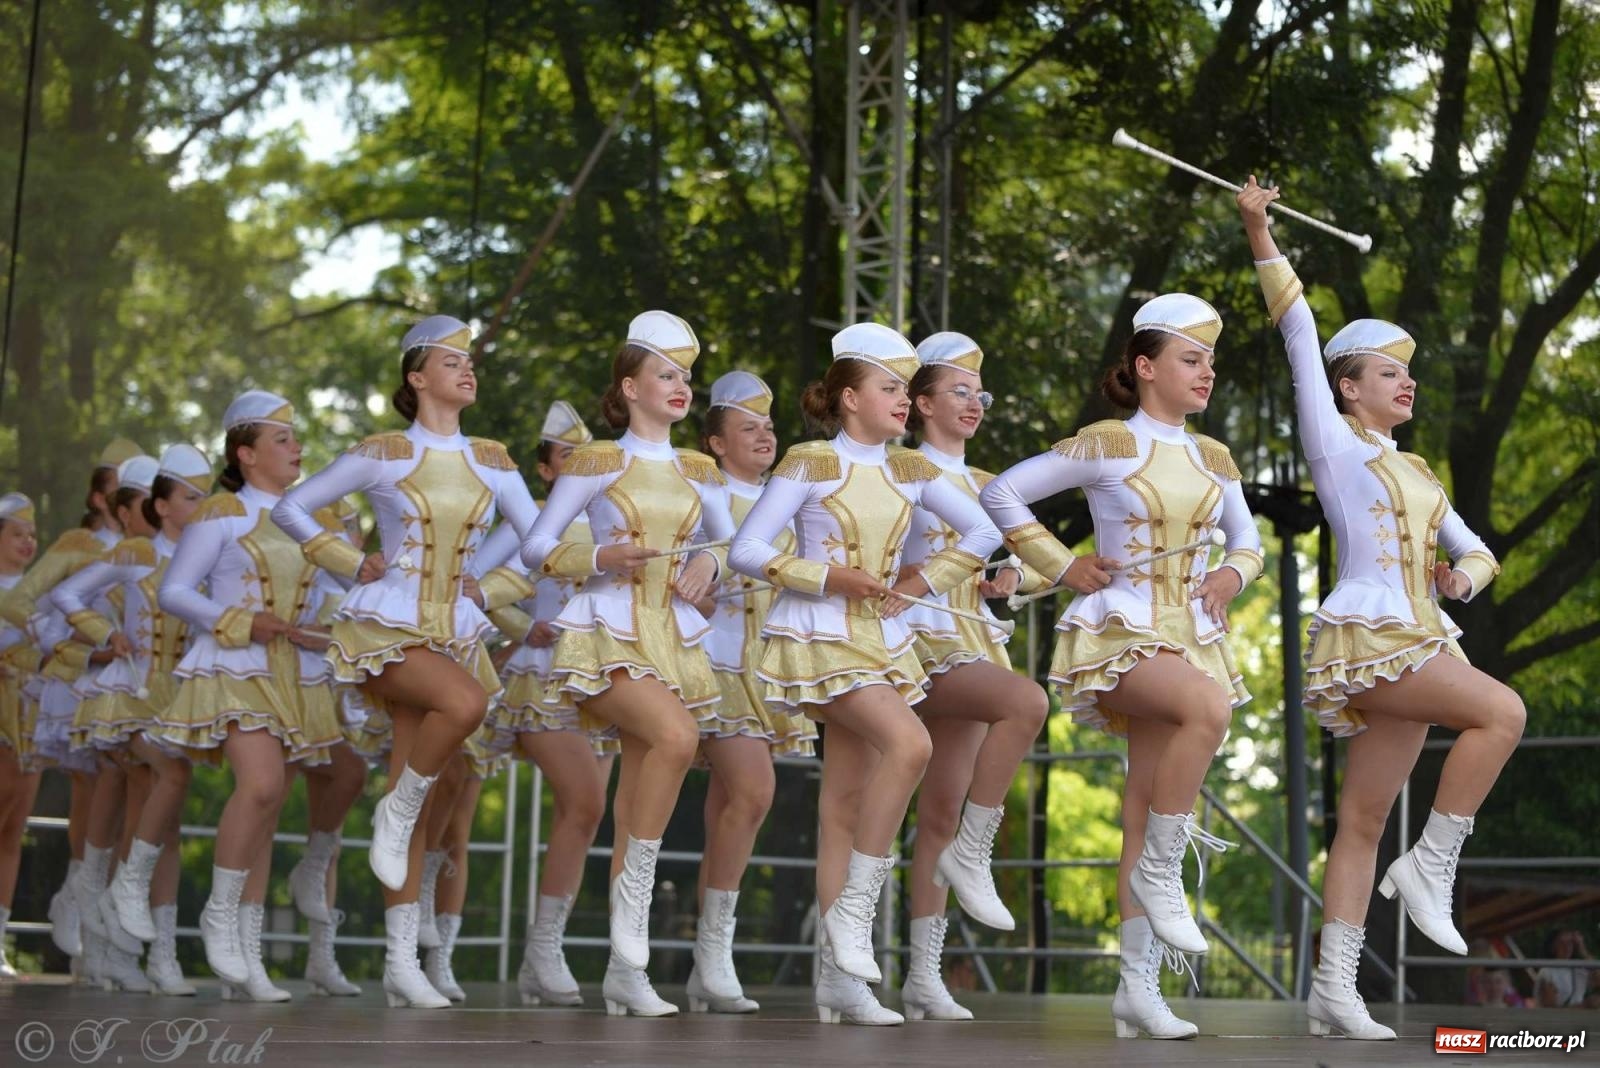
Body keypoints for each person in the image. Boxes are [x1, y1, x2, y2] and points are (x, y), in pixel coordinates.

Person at [1238, 177, 1524, 1041]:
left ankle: (1333, 989)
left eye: (1408, 373)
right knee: (1503, 712)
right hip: (1370, 634)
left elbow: (1480, 550)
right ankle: (1433, 863)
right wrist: (1259, 228)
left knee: (1362, 820)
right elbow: (1298, 326)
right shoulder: (1333, 441)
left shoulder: (1420, 472)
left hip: (1418, 632)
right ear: (1347, 388)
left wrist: (1460, 582)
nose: (1407, 383)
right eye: (1388, 373)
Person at [980, 294, 1264, 1040]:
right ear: (1146, 366)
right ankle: (1163, 872)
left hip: (1190, 635)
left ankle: (1137, 988)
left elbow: (1249, 543)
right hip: (1120, 631)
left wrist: (1230, 575)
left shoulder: (1213, 458)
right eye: (1190, 359)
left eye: (1210, 361)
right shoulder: (1109, 443)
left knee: (1143, 802)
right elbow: (1001, 490)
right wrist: (1060, 565)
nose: (1206, 373)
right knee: (1209, 708)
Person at [729, 322, 1001, 1026]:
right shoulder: (811, 462)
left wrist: (919, 583)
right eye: (889, 388)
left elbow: (984, 532)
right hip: (819, 633)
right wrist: (829, 577)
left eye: (906, 389)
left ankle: (838, 981)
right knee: (911, 744)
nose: (904, 400)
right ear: (850, 398)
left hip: (881, 639)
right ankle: (852, 914)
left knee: (843, 807)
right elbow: (747, 549)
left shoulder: (911, 470)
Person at [273, 315, 539, 1008]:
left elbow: (539, 537)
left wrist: (491, 585)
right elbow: (293, 508)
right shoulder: (385, 452)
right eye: (451, 361)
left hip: (454, 627)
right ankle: (395, 810)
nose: (467, 369)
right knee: (465, 704)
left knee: (420, 796)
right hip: (387, 622)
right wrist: (348, 559)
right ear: (417, 378)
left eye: (469, 361)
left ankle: (399, 962)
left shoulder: (493, 459)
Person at [521, 311, 734, 1017]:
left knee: (643, 783)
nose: (680, 385)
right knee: (677, 735)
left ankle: (624, 966)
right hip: (607, 627)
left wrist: (708, 563)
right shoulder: (596, 462)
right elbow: (536, 546)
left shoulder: (699, 468)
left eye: (686, 376)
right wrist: (600, 555)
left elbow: (733, 545)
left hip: (670, 636)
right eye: (665, 374)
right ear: (630, 387)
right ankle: (627, 938)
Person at [156, 390, 345, 1001]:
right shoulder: (223, 512)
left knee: (269, 808)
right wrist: (240, 621)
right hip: (235, 662)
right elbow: (175, 591)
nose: (297, 448)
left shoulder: (310, 516)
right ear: (246, 453)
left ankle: (249, 952)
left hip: (296, 670)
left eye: (295, 438)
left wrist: (328, 627)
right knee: (260, 786)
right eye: (282, 440)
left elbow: (342, 590)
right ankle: (218, 914)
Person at [898, 333, 1050, 1021]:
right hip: (912, 642)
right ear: (922, 403)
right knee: (1025, 703)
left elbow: (1038, 562)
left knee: (938, 809)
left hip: (973, 640)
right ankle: (974, 850)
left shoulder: (992, 485)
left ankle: (923, 976)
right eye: (958, 391)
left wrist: (1012, 578)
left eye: (980, 394)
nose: (974, 404)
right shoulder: (899, 469)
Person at [51, 445, 212, 995]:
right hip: (132, 692)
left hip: (178, 699)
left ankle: (150, 955)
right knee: (169, 776)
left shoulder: (205, 557)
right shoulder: (138, 553)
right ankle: (117, 907)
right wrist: (106, 634)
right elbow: (67, 593)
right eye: (190, 496)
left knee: (165, 825)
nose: (201, 505)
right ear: (159, 506)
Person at [475, 400, 613, 1009]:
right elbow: (475, 587)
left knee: (582, 818)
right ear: (546, 469)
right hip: (540, 674)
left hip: (600, 681)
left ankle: (542, 952)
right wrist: (520, 626)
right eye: (566, 457)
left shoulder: (611, 518)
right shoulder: (527, 521)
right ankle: (538, 949)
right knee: (585, 801)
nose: (579, 465)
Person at [689, 370, 818, 1014]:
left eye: (769, 427)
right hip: (707, 661)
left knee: (732, 809)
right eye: (749, 429)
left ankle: (707, 960)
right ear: (717, 443)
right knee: (752, 792)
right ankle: (708, 955)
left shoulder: (786, 501)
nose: (766, 436)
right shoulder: (696, 492)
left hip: (762, 666)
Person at [0, 492, 39, 977]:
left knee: (13, 828)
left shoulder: (39, 595)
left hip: (29, 716)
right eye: (17, 534)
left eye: (32, 535)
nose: (28, 542)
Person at [1536, 929, 1599, 1009]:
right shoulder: (1546, 971)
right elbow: (1551, 1010)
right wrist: (1584, 1005)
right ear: (1553, 947)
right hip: (1566, 1017)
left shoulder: (1578, 968)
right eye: (1562, 943)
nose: (1567, 946)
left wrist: (1583, 950)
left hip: (1579, 1016)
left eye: (1570, 943)